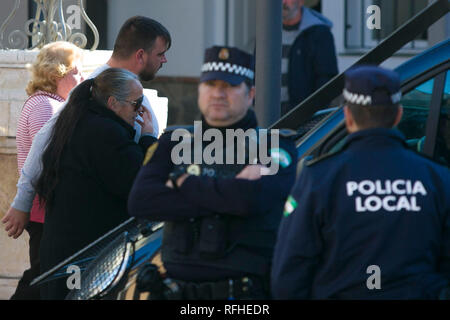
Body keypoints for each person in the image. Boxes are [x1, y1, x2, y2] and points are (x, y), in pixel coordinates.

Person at [128, 46, 297, 300]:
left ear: (250, 94)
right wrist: (229, 194)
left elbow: (251, 200)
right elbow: (141, 201)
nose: (218, 93)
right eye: (210, 85)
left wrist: (183, 183)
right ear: (200, 91)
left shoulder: (273, 145)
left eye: (229, 86)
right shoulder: (174, 143)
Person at [271, 65, 450, 299]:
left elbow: (289, 275)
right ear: (398, 115)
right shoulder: (436, 178)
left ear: (347, 116)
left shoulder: (320, 177)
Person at [3, 16, 171, 250]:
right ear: (140, 55)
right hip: (86, 232)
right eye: (160, 53)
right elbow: (44, 138)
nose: (164, 59)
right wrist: (22, 202)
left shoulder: (126, 88)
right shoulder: (92, 88)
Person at [35, 68, 155, 300]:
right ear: (112, 103)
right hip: (85, 254)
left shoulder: (79, 121)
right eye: (136, 103)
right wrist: (149, 138)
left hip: (70, 251)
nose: (140, 110)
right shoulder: (106, 133)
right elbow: (139, 183)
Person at [1, 41, 84, 300]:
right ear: (57, 72)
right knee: (42, 278)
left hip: (44, 208)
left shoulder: (50, 103)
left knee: (46, 275)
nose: (82, 77)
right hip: (43, 210)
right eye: (76, 71)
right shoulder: (45, 106)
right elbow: (49, 159)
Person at [281, 0, 338, 115]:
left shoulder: (319, 33)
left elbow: (326, 79)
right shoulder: (266, 32)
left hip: (303, 121)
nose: (283, 2)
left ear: (301, 2)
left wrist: (312, 114)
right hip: (269, 117)